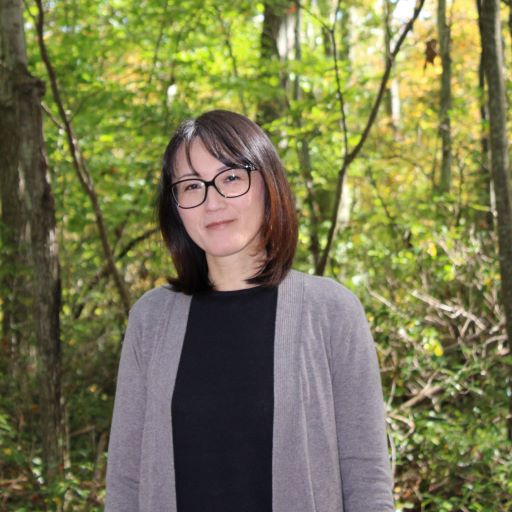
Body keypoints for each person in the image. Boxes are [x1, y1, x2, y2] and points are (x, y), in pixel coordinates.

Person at [105, 109, 395, 512]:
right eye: (191, 186)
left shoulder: (332, 312)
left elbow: (366, 480)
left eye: (231, 178)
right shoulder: (151, 320)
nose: (213, 201)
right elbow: (124, 480)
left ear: (267, 184)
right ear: (175, 206)